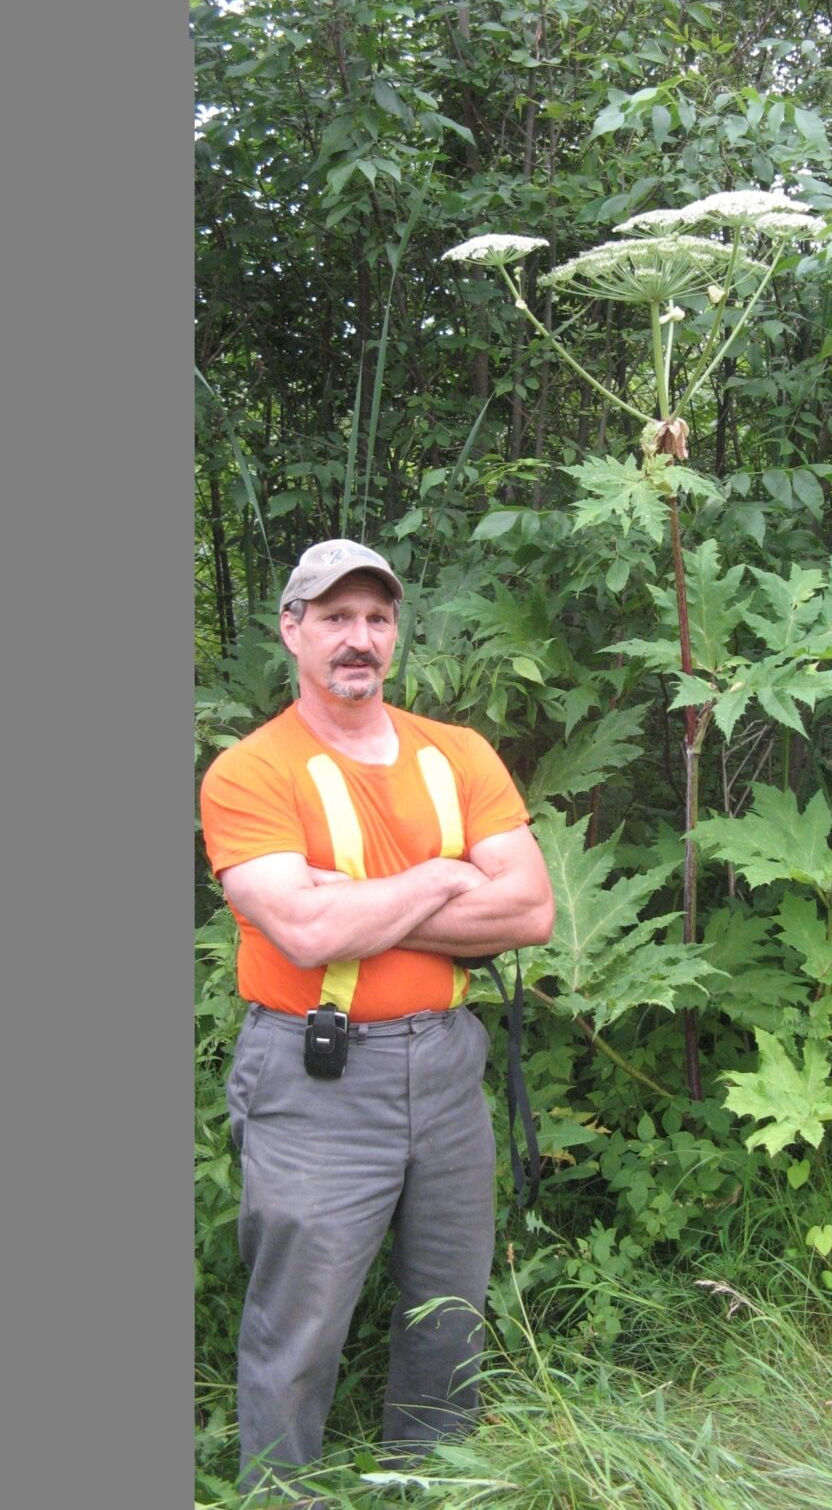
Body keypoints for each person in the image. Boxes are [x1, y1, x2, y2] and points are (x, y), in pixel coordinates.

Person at [199, 539, 555, 1503]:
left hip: (447, 1068)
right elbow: (306, 931)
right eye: (335, 618)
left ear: (395, 634)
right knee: (299, 1324)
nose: (359, 638)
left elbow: (530, 911)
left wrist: (365, 897)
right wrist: (450, 875)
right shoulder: (250, 772)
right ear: (292, 630)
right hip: (314, 1077)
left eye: (377, 619)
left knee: (450, 1311)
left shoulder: (458, 753)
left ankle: (430, 1483)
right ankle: (281, 1494)